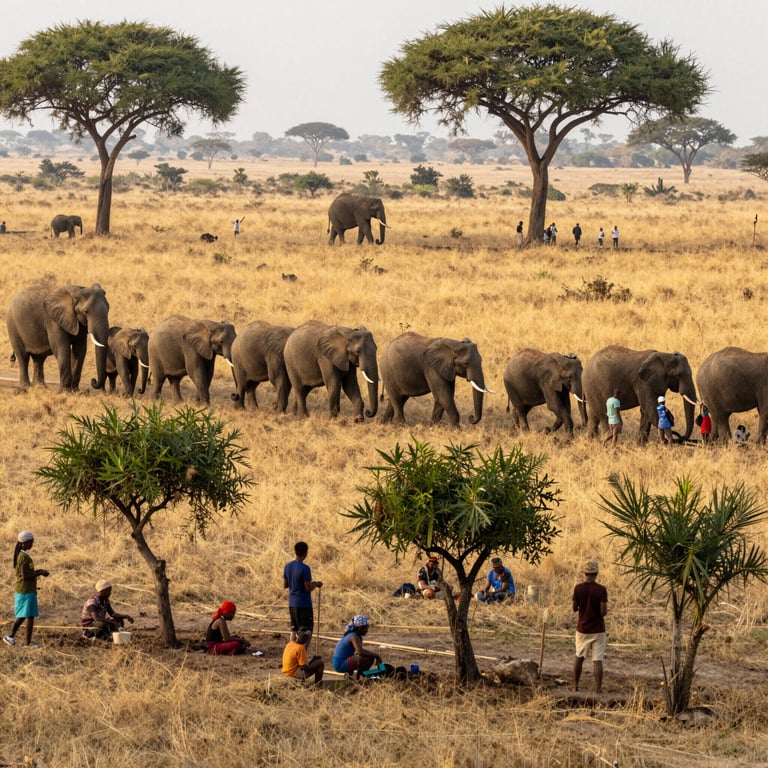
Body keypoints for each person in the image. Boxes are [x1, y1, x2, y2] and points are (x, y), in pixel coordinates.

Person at [4, 530, 49, 648]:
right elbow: (25, 576)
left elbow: (28, 573)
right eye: (30, 542)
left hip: (28, 589)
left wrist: (38, 571)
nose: (32, 545)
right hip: (25, 590)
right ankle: (13, 637)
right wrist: (40, 573)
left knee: (28, 616)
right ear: (24, 543)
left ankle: (19, 640)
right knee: (26, 616)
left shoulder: (23, 555)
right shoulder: (23, 557)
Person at [572, 559, 608, 693]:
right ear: (596, 573)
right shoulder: (601, 590)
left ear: (585, 573)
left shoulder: (578, 588)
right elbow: (603, 612)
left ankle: (575, 686)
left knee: (579, 657)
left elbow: (574, 608)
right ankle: (598, 689)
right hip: (598, 629)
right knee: (597, 660)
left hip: (582, 629)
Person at [283, 541, 322, 641]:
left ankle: (290, 654)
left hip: (292, 603)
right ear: (305, 553)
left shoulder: (288, 566)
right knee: (306, 633)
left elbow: (285, 585)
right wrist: (315, 584)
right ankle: (302, 654)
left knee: (294, 630)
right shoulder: (305, 568)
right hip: (304, 604)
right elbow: (307, 588)